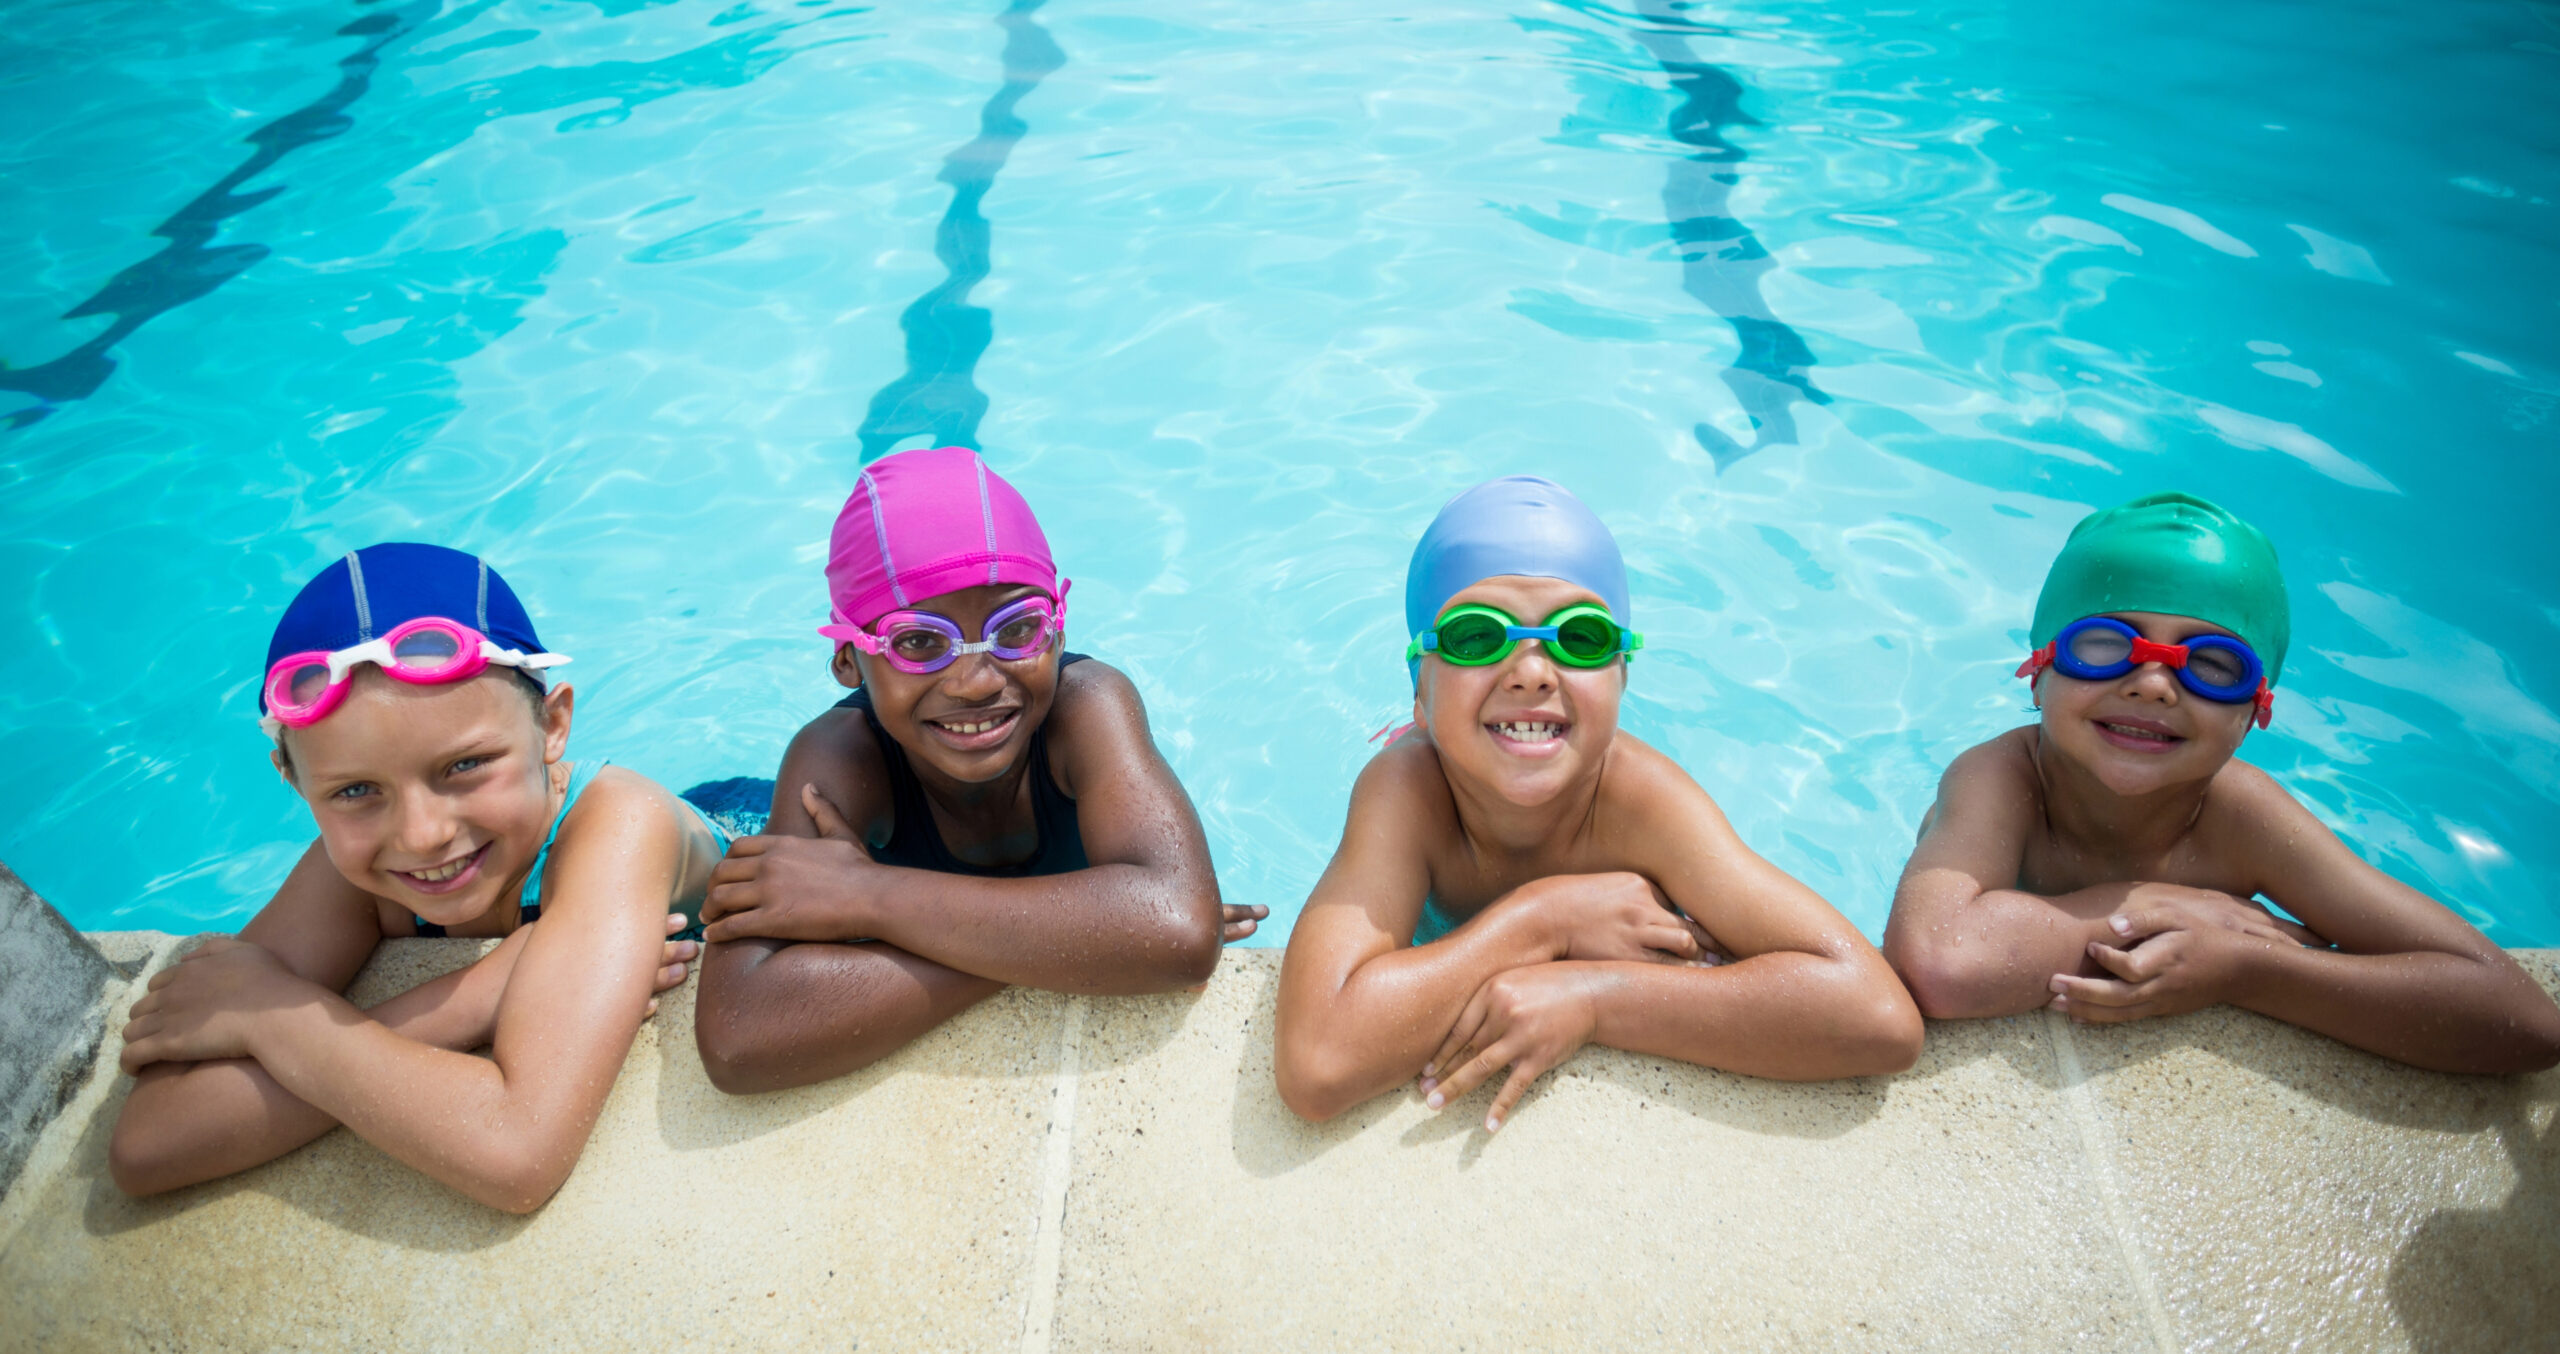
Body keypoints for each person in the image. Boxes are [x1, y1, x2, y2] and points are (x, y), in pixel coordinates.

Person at [1273, 476, 1922, 1131]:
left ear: (1621, 679)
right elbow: (1317, 1063)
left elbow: (1877, 1013)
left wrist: (1594, 996)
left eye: (1579, 636)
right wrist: (1543, 921)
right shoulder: (1407, 790)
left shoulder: (1644, 802)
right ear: (1420, 694)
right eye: (1476, 636)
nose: (1531, 669)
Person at [110, 544, 718, 1210]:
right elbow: (148, 1141)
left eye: (464, 766)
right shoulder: (356, 873)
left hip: (742, 820)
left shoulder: (620, 827)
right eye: (355, 791)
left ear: (553, 725)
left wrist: (273, 1016)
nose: (422, 834)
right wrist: (477, 995)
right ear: (295, 782)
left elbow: (519, 1150)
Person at [1883, 491, 2560, 1073]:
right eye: (2106, 645)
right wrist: (2170, 905)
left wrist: (2247, 970)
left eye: (2211, 665)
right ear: (2039, 670)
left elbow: (2522, 1020)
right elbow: (1942, 961)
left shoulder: (2241, 816)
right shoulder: (2000, 777)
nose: (2151, 684)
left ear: (2255, 713)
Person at [692, 447, 1264, 1093]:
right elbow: (738, 1037)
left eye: (1016, 628)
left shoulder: (1088, 705)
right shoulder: (839, 757)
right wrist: (1094, 945)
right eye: (918, 642)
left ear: (1056, 626)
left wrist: (869, 898)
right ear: (850, 661)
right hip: (731, 808)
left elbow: (1178, 930)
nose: (974, 681)